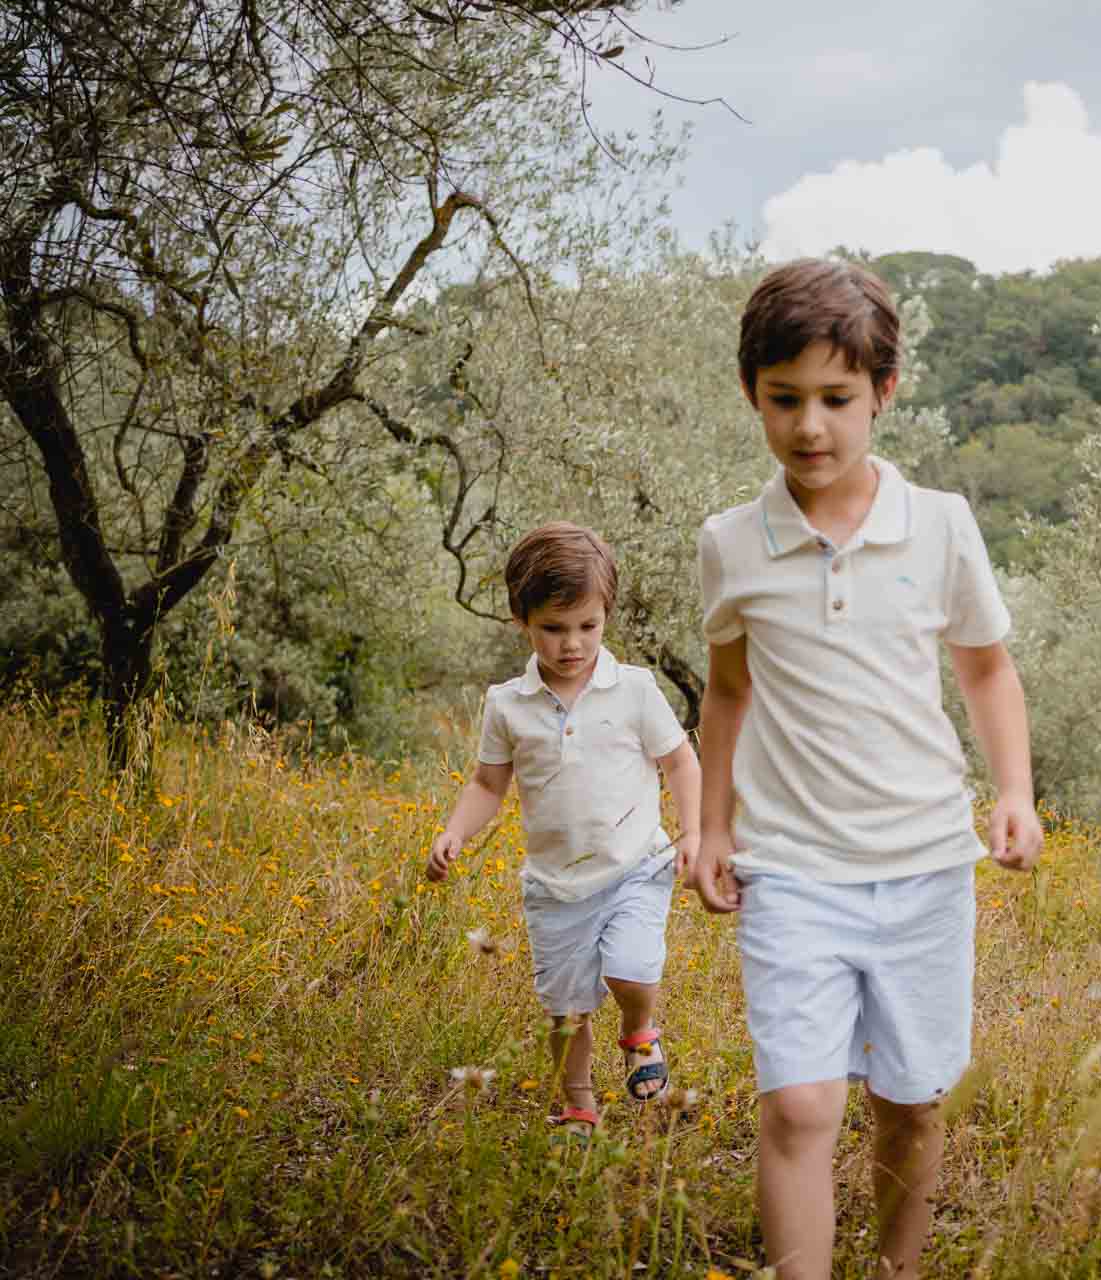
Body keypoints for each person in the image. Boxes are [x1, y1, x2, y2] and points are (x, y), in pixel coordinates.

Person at [692, 259, 1043, 1280]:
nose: (810, 427)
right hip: (793, 865)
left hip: (926, 864)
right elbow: (726, 692)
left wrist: (1012, 790)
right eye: (784, 399)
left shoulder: (939, 524)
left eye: (837, 400)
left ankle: (896, 1267)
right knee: (801, 1102)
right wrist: (713, 828)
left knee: (911, 1100)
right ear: (751, 391)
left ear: (884, 393)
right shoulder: (730, 543)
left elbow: (985, 668)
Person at [424, 521, 701, 1140]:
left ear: (606, 617)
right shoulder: (508, 703)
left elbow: (680, 761)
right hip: (555, 887)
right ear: (522, 621)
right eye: (553, 628)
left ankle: (639, 1028)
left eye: (587, 626)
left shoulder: (633, 690)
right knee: (566, 1010)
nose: (572, 643)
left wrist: (694, 832)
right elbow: (488, 784)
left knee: (631, 969)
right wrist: (454, 833)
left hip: (635, 866)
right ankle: (577, 1101)